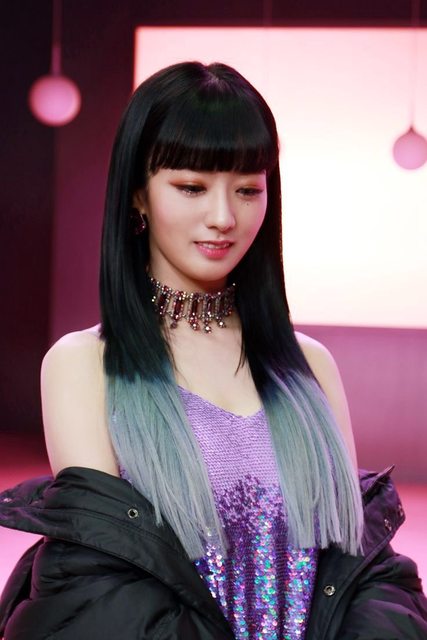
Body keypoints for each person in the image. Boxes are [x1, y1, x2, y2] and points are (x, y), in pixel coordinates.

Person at [0, 61, 426, 640]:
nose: (224, 217)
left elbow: (353, 570)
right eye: (192, 188)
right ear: (138, 196)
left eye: (248, 190)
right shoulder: (84, 366)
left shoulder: (310, 366)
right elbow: (104, 590)